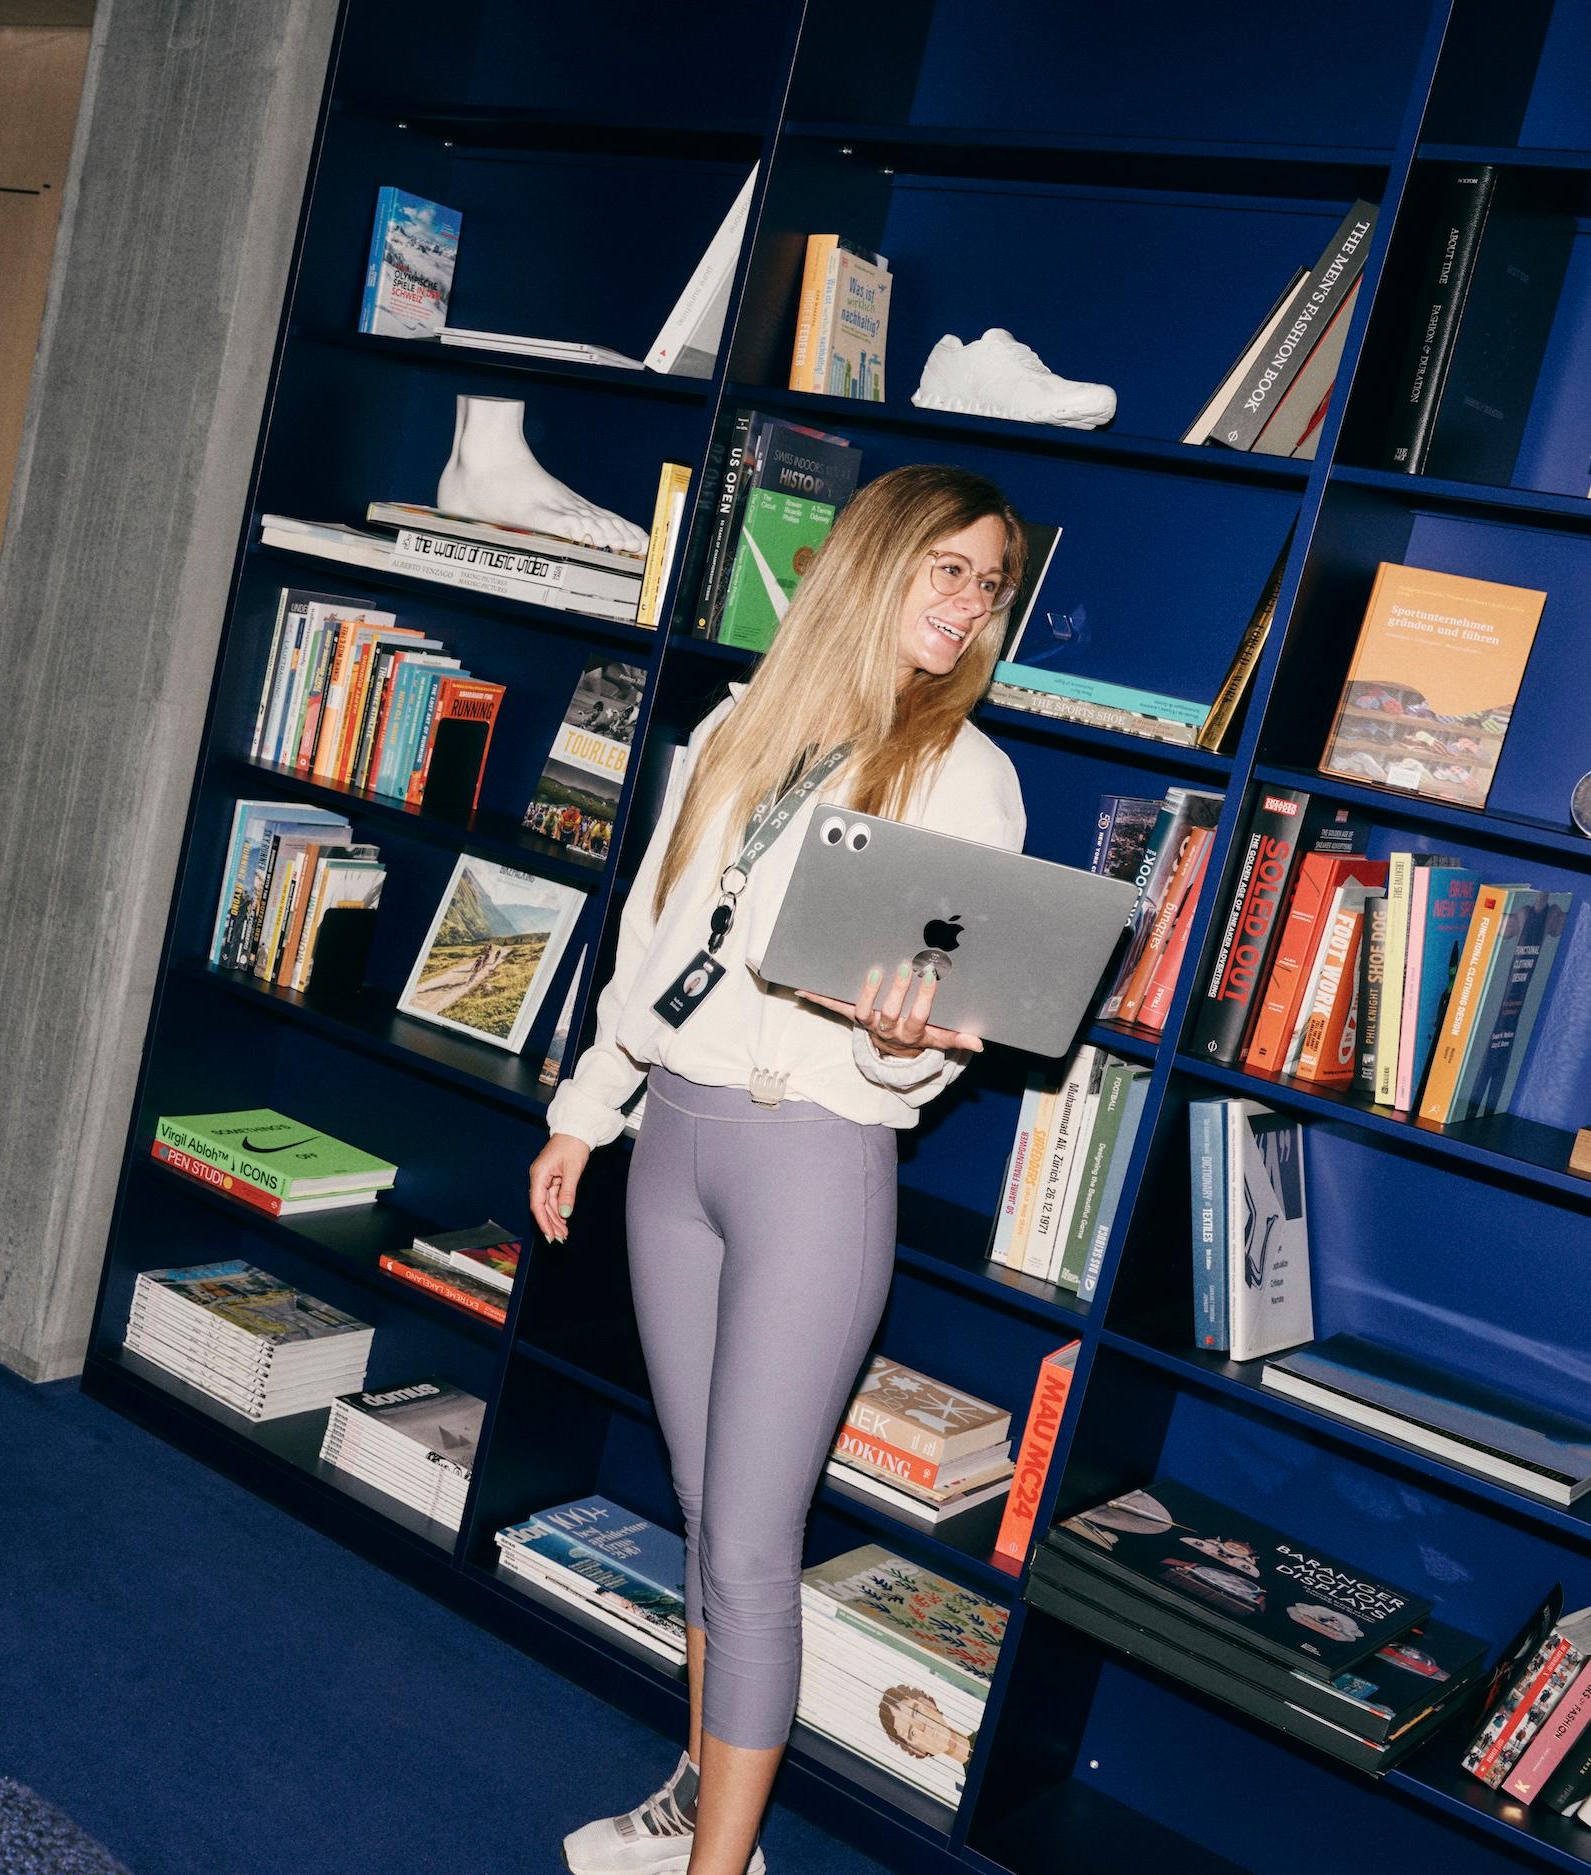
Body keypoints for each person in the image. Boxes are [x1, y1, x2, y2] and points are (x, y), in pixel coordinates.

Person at [531, 465, 1028, 1875]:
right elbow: (655, 935)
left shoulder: (966, 776)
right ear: (873, 560)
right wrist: (587, 1109)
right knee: (706, 1513)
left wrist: (895, 1045)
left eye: (989, 581)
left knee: (751, 1545)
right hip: (673, 1145)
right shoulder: (736, 724)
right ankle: (706, 1803)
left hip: (813, 1157)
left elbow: (933, 1036)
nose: (969, 602)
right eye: (946, 567)